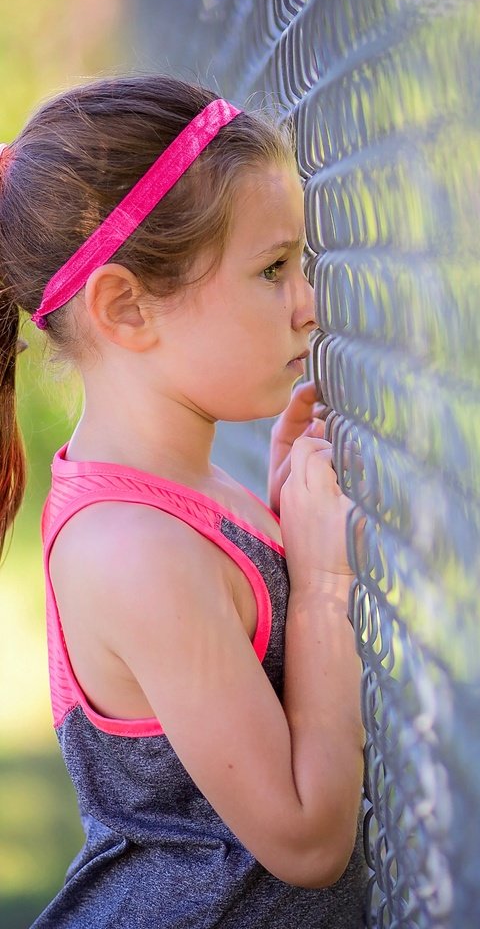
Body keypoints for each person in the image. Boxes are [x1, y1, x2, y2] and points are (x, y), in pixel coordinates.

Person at [0, 74, 367, 927]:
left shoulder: (183, 490)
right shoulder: (131, 549)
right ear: (127, 308)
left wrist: (279, 518)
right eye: (273, 270)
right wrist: (317, 583)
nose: (310, 308)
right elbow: (307, 842)